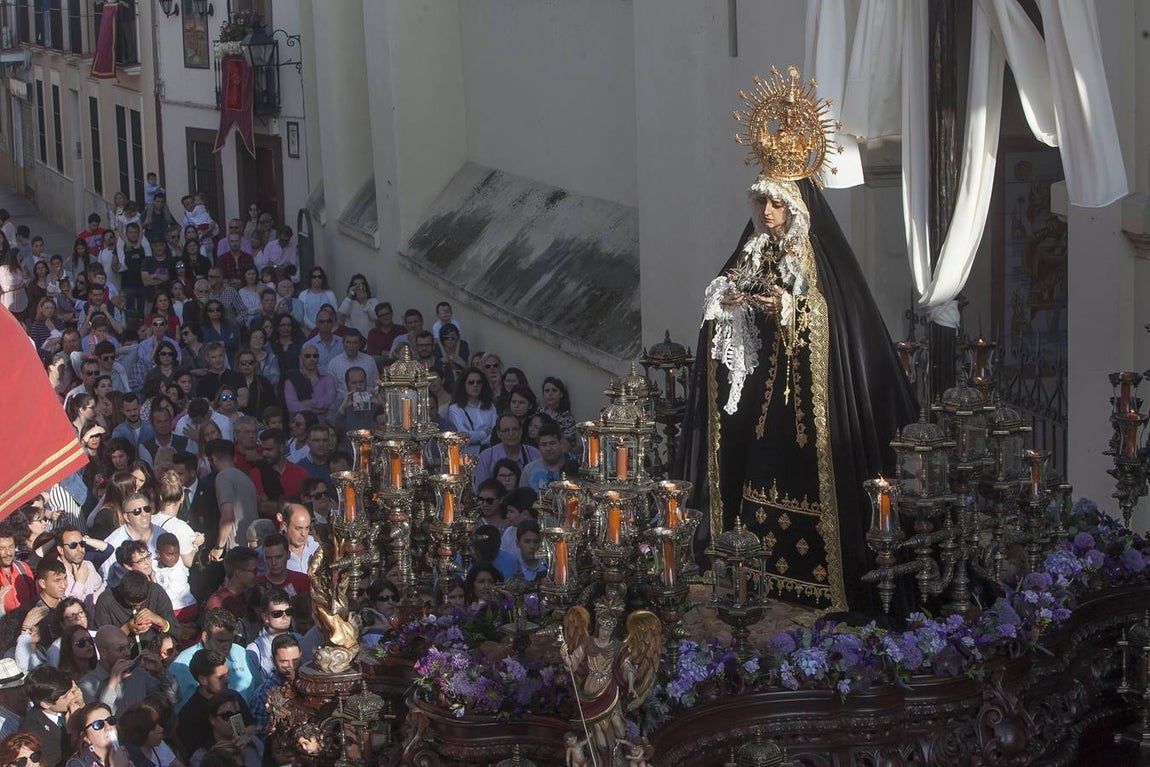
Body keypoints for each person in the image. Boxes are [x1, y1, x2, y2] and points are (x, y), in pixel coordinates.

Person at [677, 84, 917, 613]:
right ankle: (755, 576)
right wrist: (733, 300)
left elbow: (832, 317)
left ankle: (827, 584)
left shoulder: (818, 259)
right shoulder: (755, 249)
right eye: (760, 200)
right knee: (760, 472)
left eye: (776, 202)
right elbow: (721, 296)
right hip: (766, 401)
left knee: (806, 476)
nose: (766, 211)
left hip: (813, 407)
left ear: (796, 204)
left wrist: (789, 309)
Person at [19, 665, 80, 767]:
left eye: (71, 692)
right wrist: (72, 732)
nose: (72, 697)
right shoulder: (34, 731)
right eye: (65, 696)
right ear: (45, 704)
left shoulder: (68, 710)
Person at [447, 368, 497, 458]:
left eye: (479, 382)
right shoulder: (455, 409)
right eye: (471, 382)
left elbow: (495, 432)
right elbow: (463, 436)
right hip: (467, 456)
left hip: (490, 453)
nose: (475, 385)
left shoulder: (490, 406)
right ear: (464, 385)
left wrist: (476, 437)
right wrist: (485, 433)